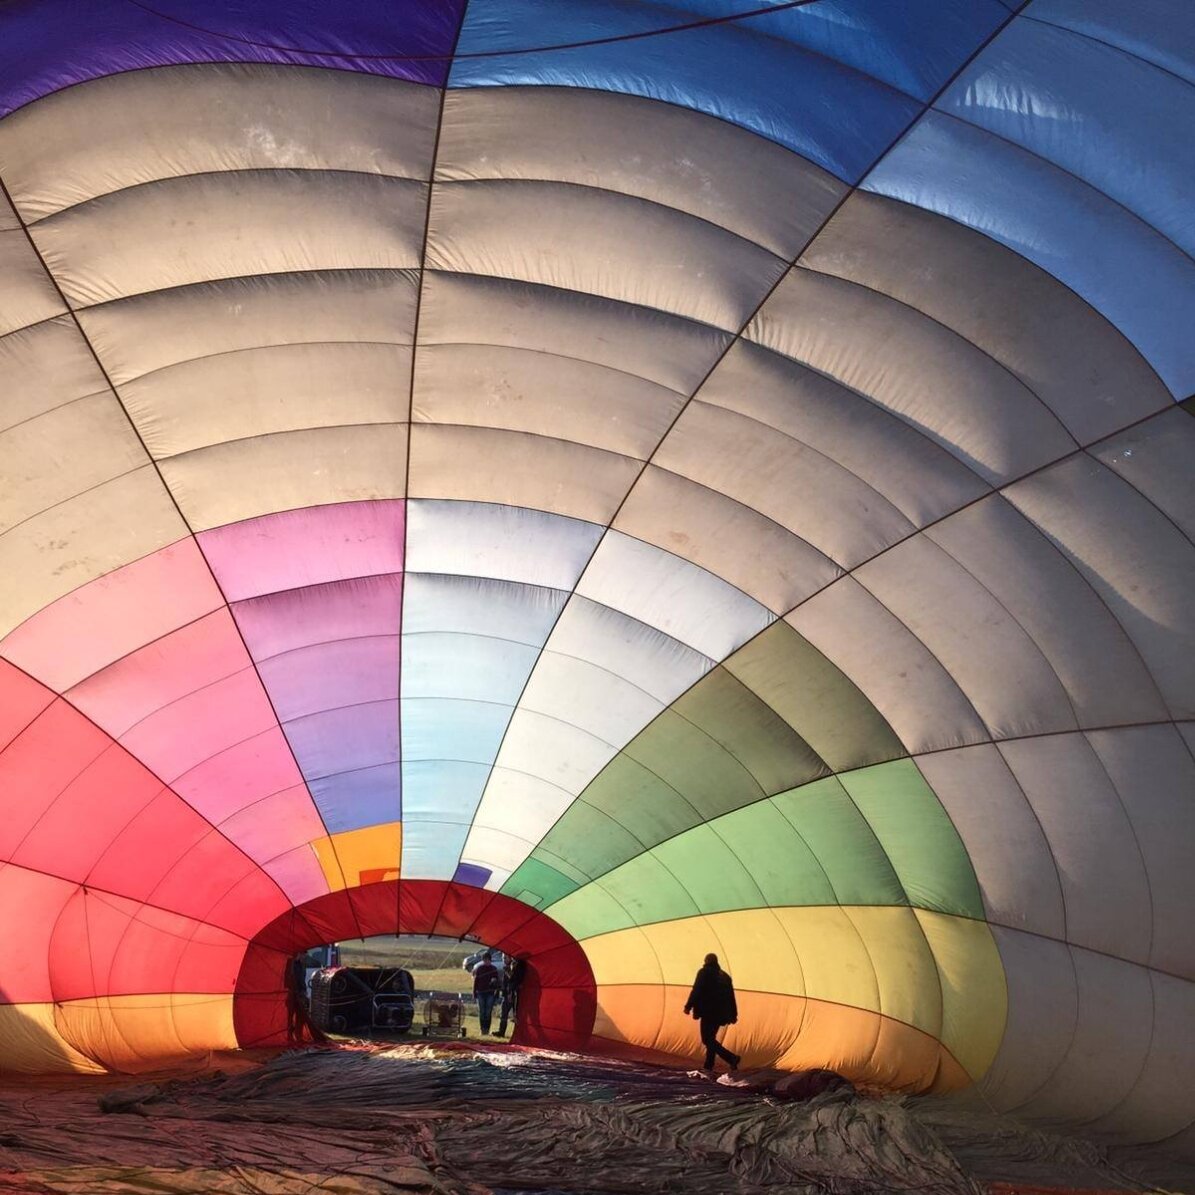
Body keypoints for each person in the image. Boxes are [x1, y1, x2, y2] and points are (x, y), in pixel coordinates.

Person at [683, 953, 741, 1073]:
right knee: (711, 1038)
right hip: (721, 1014)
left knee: (707, 1039)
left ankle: (731, 1058)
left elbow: (697, 990)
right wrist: (733, 1014)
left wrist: (688, 1006)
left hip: (708, 1011)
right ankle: (708, 1065)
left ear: (706, 961)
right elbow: (731, 997)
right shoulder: (725, 976)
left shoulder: (704, 972)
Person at [472, 950, 503, 1035]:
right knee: (482, 1011)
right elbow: (476, 981)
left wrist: (496, 992)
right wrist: (474, 993)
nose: (486, 962)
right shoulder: (479, 969)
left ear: (490, 960)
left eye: (487, 960)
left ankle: (487, 1029)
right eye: (484, 960)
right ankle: (482, 1029)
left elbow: (497, 983)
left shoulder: (494, 969)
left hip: (490, 993)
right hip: (480, 992)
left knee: (488, 1012)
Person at [495, 955, 527, 1037]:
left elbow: (514, 980)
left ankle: (519, 1034)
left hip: (513, 994)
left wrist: (510, 993)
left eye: (505, 958)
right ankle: (501, 1031)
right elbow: (506, 982)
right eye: (503, 958)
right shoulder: (508, 967)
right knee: (504, 1014)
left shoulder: (517, 966)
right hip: (507, 994)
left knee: (516, 1015)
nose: (504, 960)